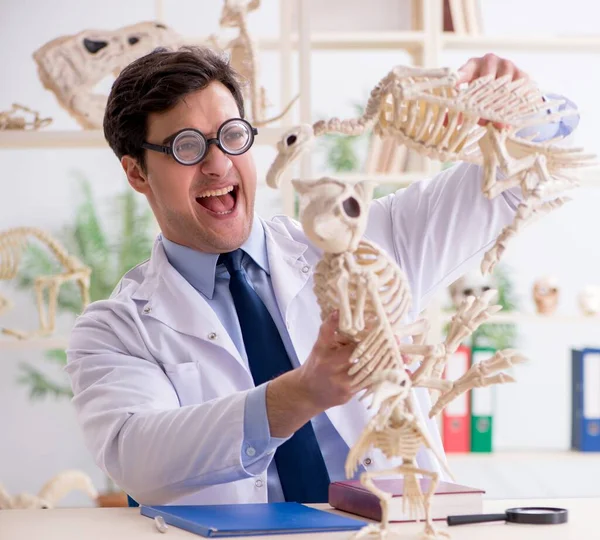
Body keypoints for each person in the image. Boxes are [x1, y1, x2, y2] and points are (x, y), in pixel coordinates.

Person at [64, 46, 578, 506]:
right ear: (136, 172)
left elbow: (519, 176)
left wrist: (523, 105)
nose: (219, 165)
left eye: (231, 136)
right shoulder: (114, 331)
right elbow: (136, 460)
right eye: (187, 147)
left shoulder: (366, 237)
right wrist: (299, 395)